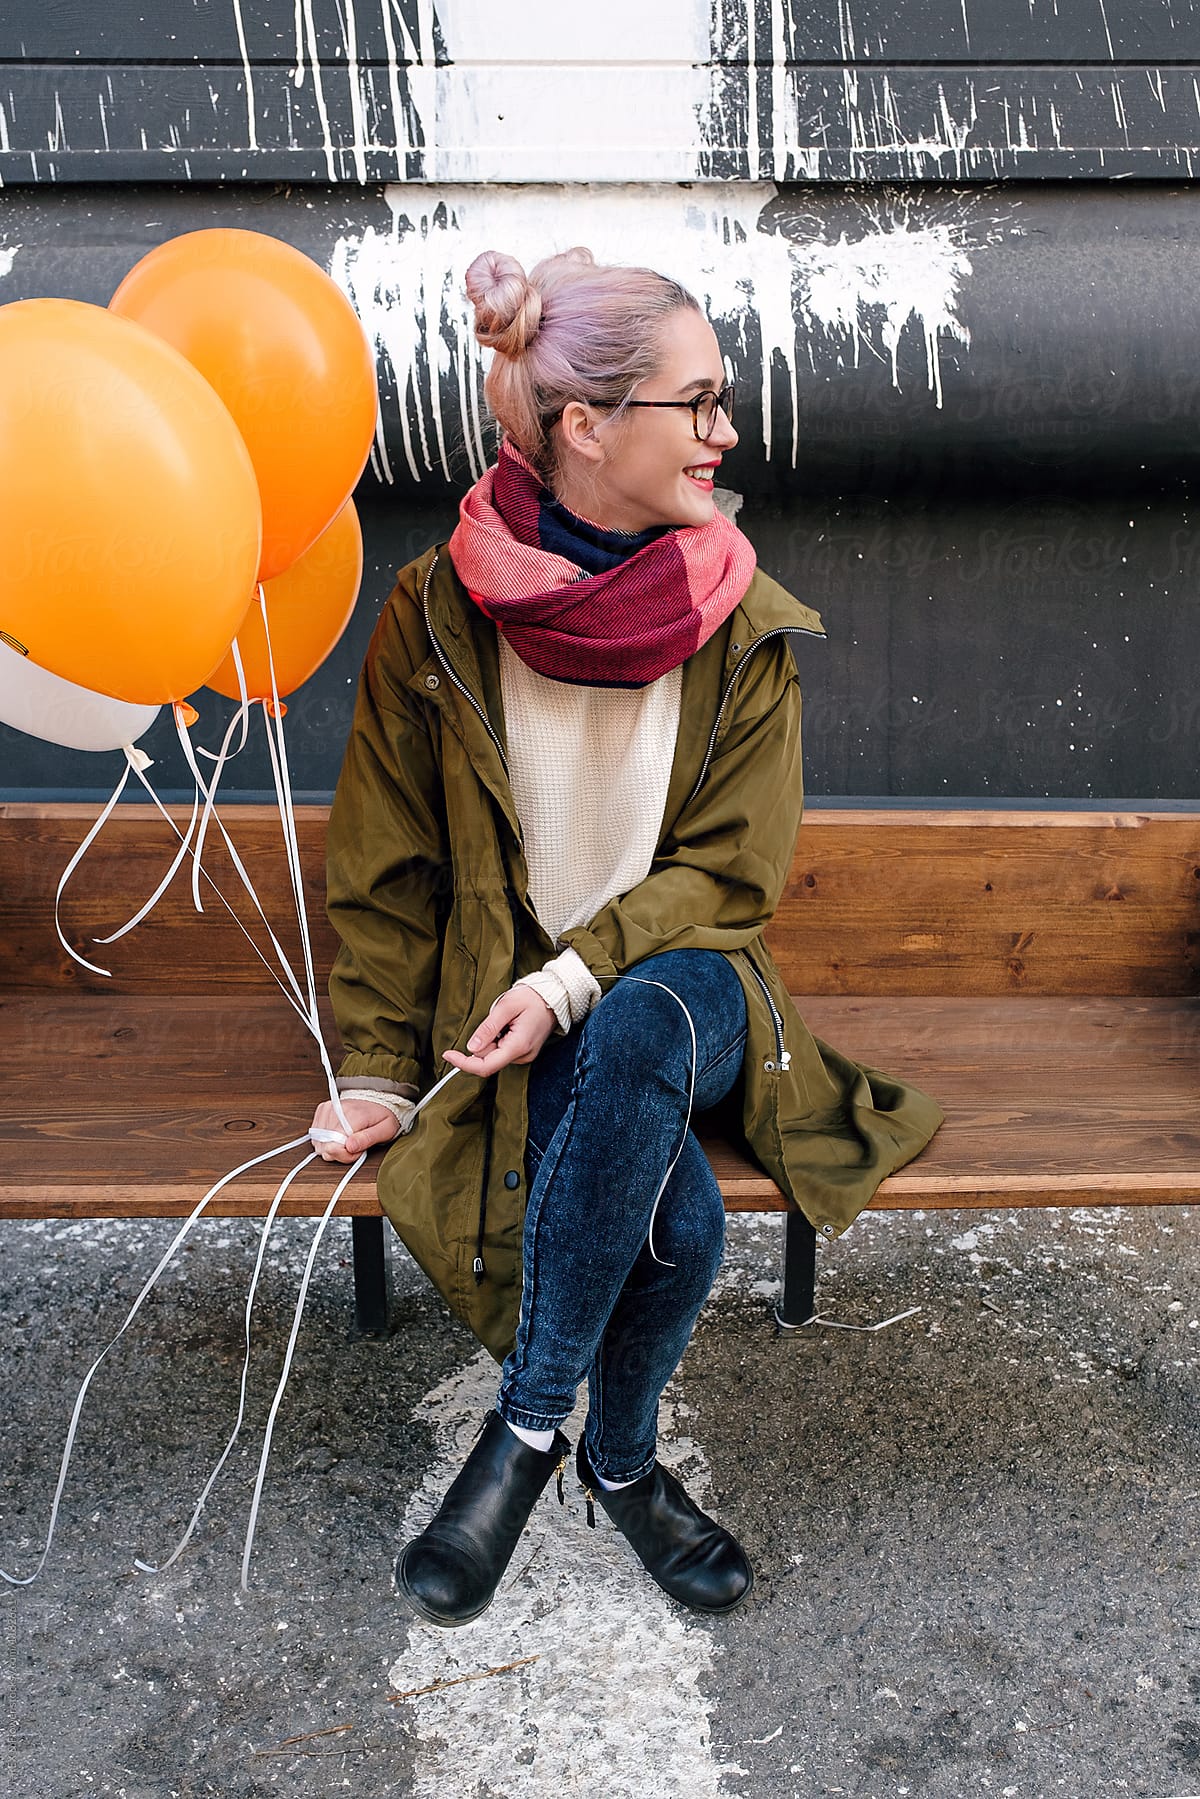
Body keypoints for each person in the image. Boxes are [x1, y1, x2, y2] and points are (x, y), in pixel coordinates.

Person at [310, 247, 942, 1627]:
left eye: (724, 405)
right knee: (680, 1224)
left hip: (694, 986)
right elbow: (384, 869)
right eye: (699, 402)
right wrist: (370, 1066)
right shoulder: (433, 616)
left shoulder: (744, 626)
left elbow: (733, 878)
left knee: (651, 1012)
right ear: (586, 427)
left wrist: (577, 974)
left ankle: (522, 1432)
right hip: (509, 1011)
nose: (728, 434)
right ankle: (623, 1460)